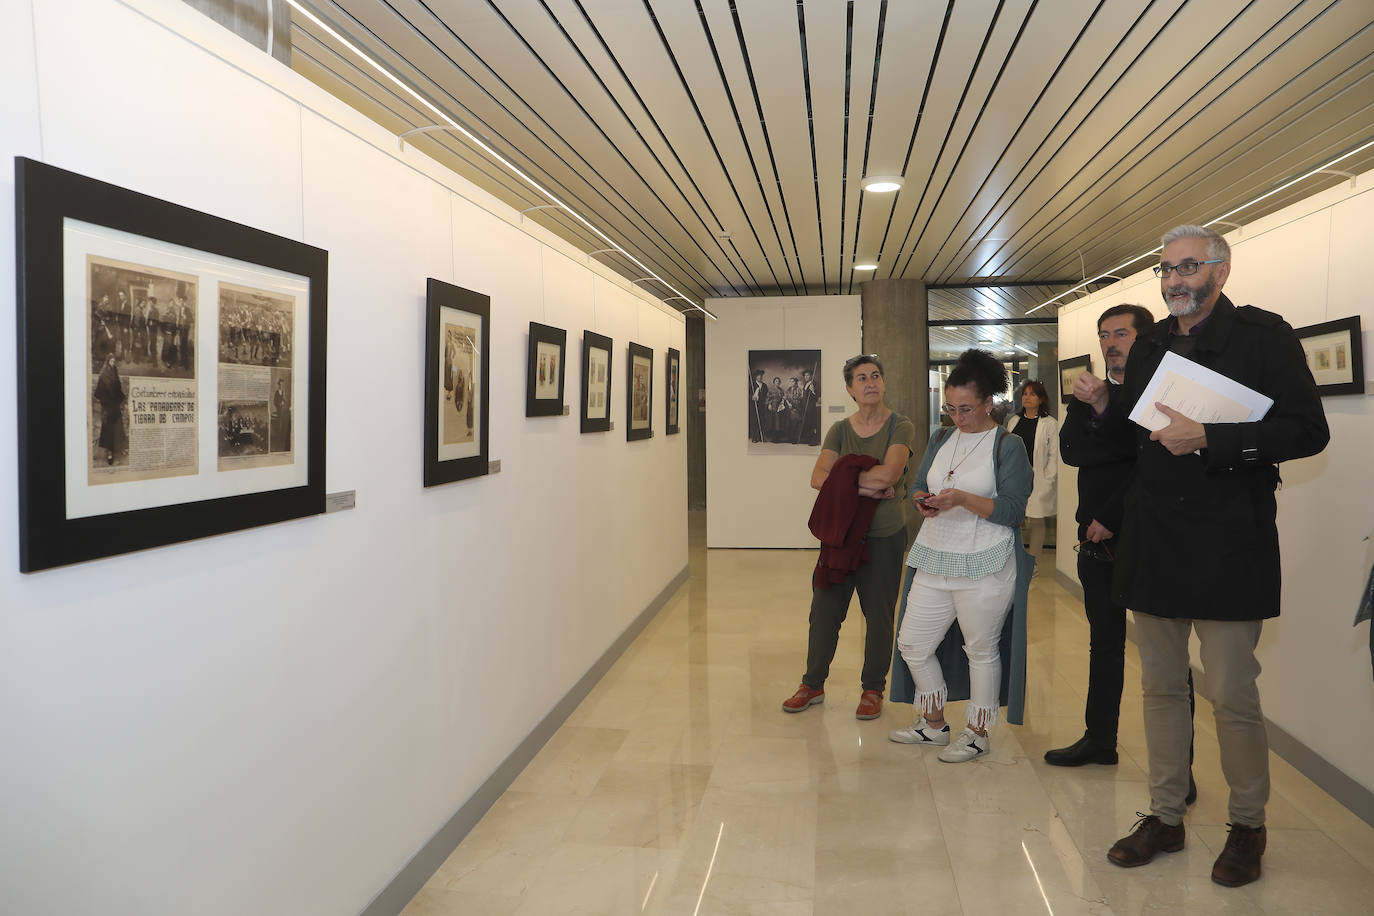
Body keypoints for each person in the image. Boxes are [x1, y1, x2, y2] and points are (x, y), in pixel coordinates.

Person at [1077, 226, 1328, 887]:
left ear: (1220, 269)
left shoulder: (1264, 336)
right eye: (1165, 270)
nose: (1174, 280)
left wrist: (1213, 439)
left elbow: (1308, 430)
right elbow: (1141, 433)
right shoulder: (1156, 338)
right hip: (1156, 538)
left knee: (1231, 694)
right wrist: (1109, 405)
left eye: (1187, 267)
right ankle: (1165, 815)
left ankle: (1247, 825)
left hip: (1229, 542)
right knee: (1161, 687)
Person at [1047, 304, 1206, 776]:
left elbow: (1150, 462)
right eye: (1104, 335)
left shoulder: (1164, 395)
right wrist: (1099, 411)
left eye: (1121, 333)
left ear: (1144, 339)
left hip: (1151, 535)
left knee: (1169, 656)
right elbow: (1074, 450)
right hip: (1094, 537)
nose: (1111, 343)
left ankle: (1180, 769)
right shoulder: (1088, 392)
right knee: (1104, 641)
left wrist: (1113, 513)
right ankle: (1100, 739)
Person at [888, 349, 1034, 762]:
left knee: (980, 649)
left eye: (967, 408)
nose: (958, 417)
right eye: (950, 408)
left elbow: (1011, 511)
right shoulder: (940, 437)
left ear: (990, 402)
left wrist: (963, 499)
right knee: (913, 643)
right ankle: (933, 725)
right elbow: (918, 481)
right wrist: (922, 499)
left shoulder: (1008, 445)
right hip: (936, 554)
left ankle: (977, 733)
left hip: (987, 559)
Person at [782, 354, 914, 720]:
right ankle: (812, 684)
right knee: (823, 612)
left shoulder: (900, 426)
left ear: (883, 383)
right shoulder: (840, 430)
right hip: (840, 537)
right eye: (861, 378)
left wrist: (847, 481)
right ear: (850, 389)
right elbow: (817, 477)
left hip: (883, 537)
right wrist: (865, 487)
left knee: (878, 616)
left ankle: (873, 689)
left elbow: (889, 476)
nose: (870, 382)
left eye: (875, 375)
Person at [1004, 379, 1058, 566]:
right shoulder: (1014, 421)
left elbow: (1053, 455)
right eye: (1025, 394)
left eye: (1032, 394)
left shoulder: (1049, 423)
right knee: (1014, 521)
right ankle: (1014, 560)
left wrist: (1049, 478)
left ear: (1041, 399)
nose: (1027, 397)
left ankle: (1032, 563)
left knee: (1036, 521)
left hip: (1038, 478)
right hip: (1015, 477)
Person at [93, 353, 125, 466]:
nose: (113, 363)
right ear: (107, 362)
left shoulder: (115, 372)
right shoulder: (103, 376)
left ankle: (115, 449)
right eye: (111, 361)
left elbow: (118, 388)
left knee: (116, 428)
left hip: (115, 406)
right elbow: (99, 393)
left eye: (114, 361)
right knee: (108, 430)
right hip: (107, 407)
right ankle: (109, 453)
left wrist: (120, 398)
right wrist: (106, 402)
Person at [748, 369, 767, 442]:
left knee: (762, 420)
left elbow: (766, 396)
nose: (760, 377)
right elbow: (747, 395)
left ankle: (761, 437)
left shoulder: (764, 385)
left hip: (762, 406)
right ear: (756, 376)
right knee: (754, 421)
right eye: (758, 376)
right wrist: (752, 397)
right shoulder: (751, 385)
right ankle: (754, 437)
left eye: (761, 376)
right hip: (754, 406)